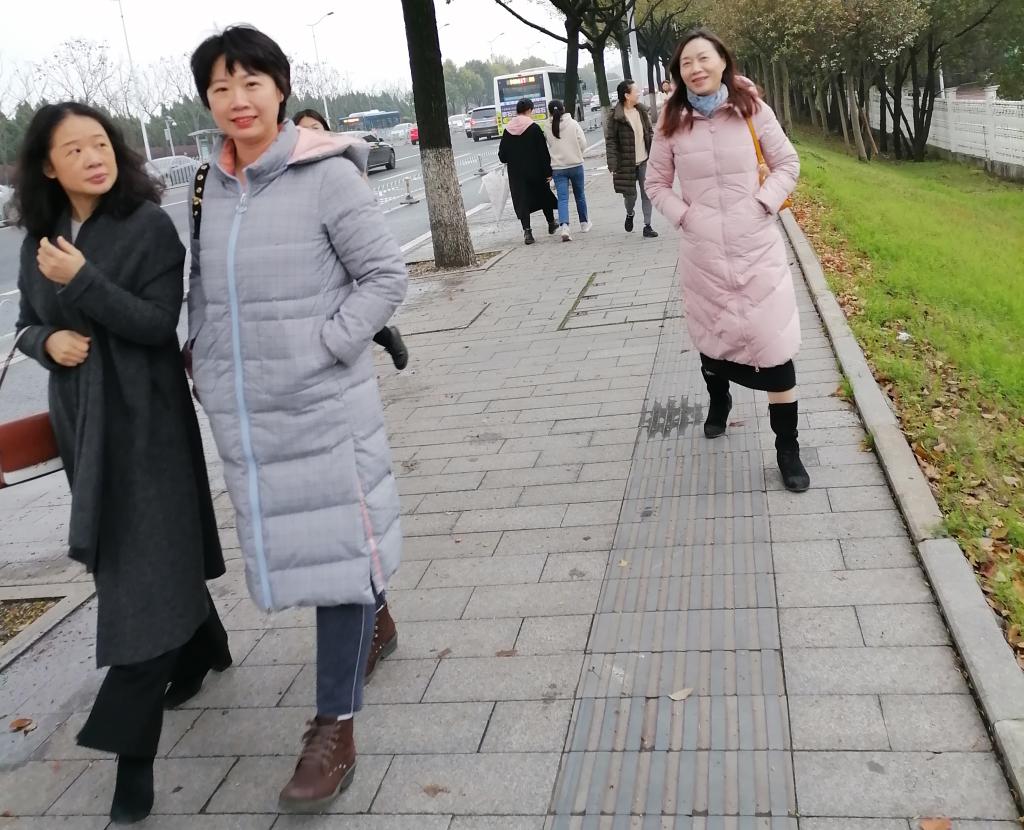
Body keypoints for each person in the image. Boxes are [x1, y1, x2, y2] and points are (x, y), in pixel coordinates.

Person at [188, 26, 406, 810]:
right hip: (251, 415)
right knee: (320, 550)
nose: (237, 100)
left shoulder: (327, 176)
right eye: (220, 87)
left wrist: (326, 346)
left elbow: (385, 276)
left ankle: (333, 727)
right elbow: (203, 292)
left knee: (335, 552)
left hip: (323, 408)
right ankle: (377, 619)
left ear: (280, 87)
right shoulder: (209, 187)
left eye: (251, 82)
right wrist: (206, 364)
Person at [12, 102, 229, 824]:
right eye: (74, 149)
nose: (93, 157)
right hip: (85, 427)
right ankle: (205, 645)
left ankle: (131, 766)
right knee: (142, 560)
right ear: (48, 166)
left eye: (100, 143)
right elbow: (26, 325)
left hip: (147, 426)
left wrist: (82, 282)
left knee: (138, 580)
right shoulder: (40, 237)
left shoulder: (147, 226)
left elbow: (155, 324)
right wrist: (47, 343)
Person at [644, 28, 809, 492]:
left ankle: (788, 449)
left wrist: (762, 204)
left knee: (775, 351)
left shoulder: (751, 108)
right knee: (712, 342)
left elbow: (788, 164)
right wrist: (686, 217)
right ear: (678, 73)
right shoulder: (670, 121)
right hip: (704, 255)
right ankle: (719, 400)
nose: (696, 68)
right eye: (686, 63)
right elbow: (656, 184)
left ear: (722, 61)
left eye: (704, 58)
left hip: (757, 248)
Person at [291, 108, 408, 370]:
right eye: (302, 129)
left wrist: (333, 346)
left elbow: (386, 276)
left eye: (315, 128)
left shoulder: (341, 165)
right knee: (342, 302)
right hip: (316, 250)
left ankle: (384, 338)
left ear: (326, 130)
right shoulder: (289, 171)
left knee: (349, 300)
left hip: (346, 243)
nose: (309, 134)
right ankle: (386, 337)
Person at [497, 98, 557, 246]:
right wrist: (548, 172)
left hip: (516, 175)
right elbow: (543, 153)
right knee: (543, 195)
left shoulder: (508, 130)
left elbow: (502, 156)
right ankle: (551, 223)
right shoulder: (534, 128)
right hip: (536, 171)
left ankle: (527, 232)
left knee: (522, 201)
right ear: (529, 110)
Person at [605, 80, 658, 239]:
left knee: (646, 193)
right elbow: (611, 141)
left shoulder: (641, 112)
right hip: (625, 164)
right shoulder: (616, 116)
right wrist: (612, 163)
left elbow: (649, 132)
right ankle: (630, 213)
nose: (639, 93)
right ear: (627, 95)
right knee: (630, 196)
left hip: (644, 161)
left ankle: (647, 225)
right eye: (636, 91)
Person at [544, 99, 590, 241]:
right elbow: (583, 142)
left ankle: (565, 226)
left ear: (549, 112)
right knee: (580, 195)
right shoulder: (573, 123)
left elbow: (547, 145)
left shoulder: (547, 126)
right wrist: (578, 153)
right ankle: (584, 223)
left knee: (563, 199)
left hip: (558, 168)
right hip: (575, 165)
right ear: (563, 108)